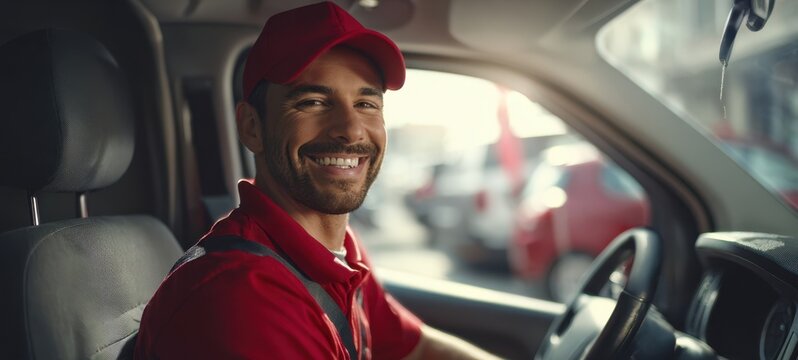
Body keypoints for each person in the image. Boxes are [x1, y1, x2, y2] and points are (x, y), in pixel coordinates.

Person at [134, 2, 500, 359]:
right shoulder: (241, 296)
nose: (350, 129)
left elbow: (414, 349)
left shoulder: (339, 249)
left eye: (366, 104)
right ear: (252, 127)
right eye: (312, 102)